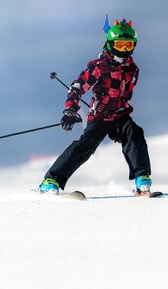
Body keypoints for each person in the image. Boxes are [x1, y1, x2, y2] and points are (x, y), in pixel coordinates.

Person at [38, 18, 152, 195]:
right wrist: (70, 110)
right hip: (100, 116)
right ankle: (51, 180)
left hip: (120, 115)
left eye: (128, 45)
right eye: (120, 45)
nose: (124, 50)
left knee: (134, 133)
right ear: (110, 43)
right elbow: (77, 88)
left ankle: (142, 179)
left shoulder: (132, 69)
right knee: (85, 146)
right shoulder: (99, 67)